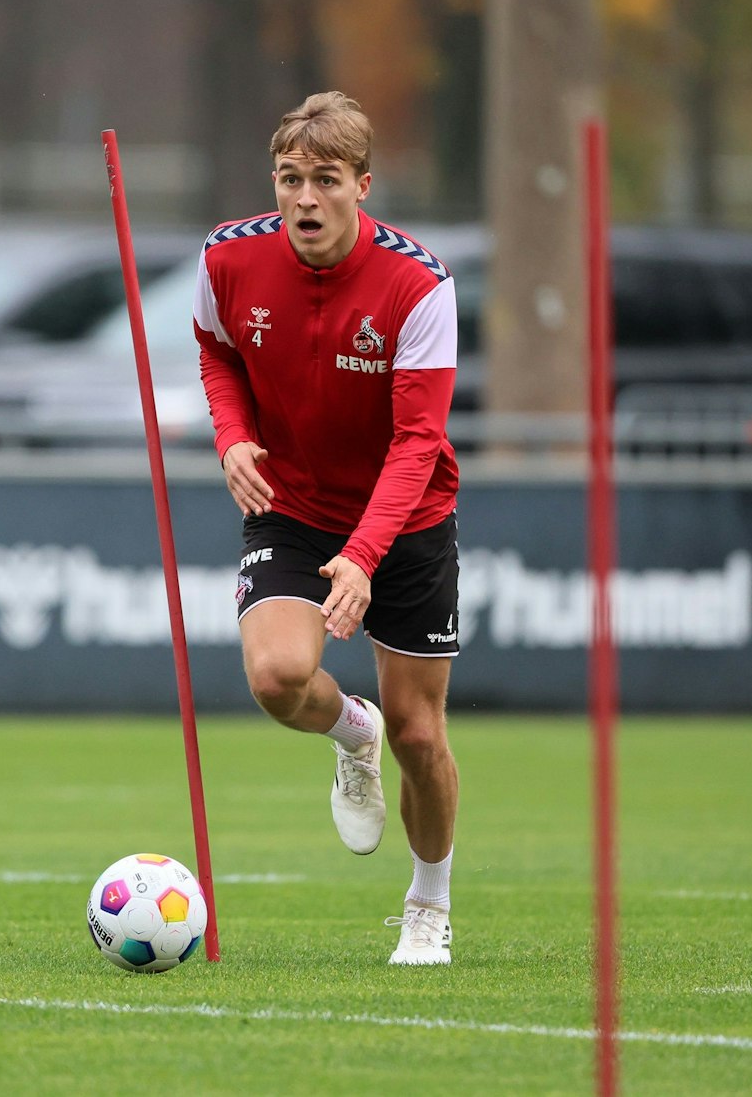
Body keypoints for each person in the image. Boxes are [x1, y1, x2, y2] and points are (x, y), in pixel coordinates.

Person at [193, 92, 462, 966]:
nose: (304, 199)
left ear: (362, 185)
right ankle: (353, 730)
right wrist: (232, 435)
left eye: (325, 181)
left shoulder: (418, 284)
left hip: (407, 517)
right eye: (290, 179)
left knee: (421, 733)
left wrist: (365, 555)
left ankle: (428, 903)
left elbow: (420, 441)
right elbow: (217, 348)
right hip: (294, 506)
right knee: (276, 676)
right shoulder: (227, 257)